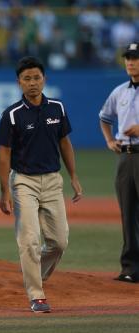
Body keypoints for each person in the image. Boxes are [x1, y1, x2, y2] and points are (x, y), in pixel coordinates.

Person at [0, 56, 82, 313]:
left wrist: (74, 177)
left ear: (44, 79)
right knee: (29, 240)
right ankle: (36, 294)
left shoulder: (58, 108)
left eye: (37, 77)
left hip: (53, 181)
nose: (32, 83)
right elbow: (4, 154)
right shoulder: (12, 114)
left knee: (59, 242)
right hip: (24, 182)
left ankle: (35, 272)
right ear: (19, 82)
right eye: (27, 79)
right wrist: (4, 191)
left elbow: (65, 144)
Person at [99, 42, 139, 284]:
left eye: (135, 58)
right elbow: (104, 117)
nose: (130, 62)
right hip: (125, 156)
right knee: (128, 212)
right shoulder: (119, 91)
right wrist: (109, 140)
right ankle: (130, 268)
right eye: (128, 58)